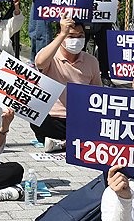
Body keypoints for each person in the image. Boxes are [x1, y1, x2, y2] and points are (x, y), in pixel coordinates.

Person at [31, 14, 101, 151]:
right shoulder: (51, 56)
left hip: (78, 118)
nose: (77, 40)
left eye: (80, 36)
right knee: (36, 119)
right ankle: (70, 141)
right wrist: (63, 34)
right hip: (53, 118)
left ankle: (64, 143)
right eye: (71, 36)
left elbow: (97, 91)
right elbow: (40, 62)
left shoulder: (91, 61)